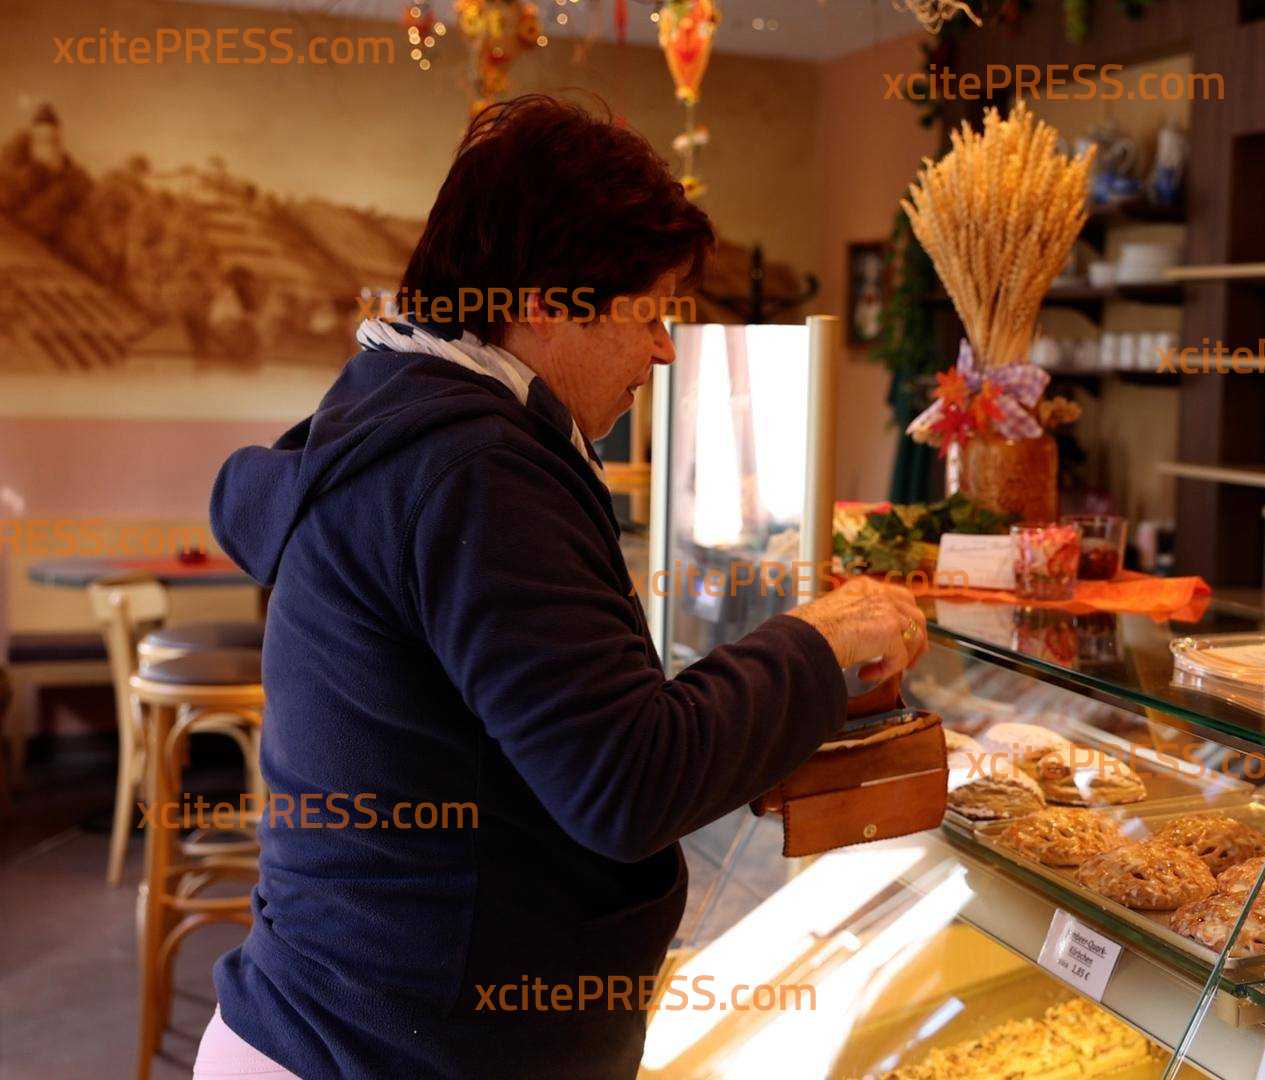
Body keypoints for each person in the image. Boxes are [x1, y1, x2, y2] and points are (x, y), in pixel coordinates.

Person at [195, 95, 927, 1079]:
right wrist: (818, 641)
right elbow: (626, 784)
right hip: (385, 1051)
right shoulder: (473, 472)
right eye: (649, 310)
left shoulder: (395, 414)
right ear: (550, 298)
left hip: (340, 1025)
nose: (664, 349)